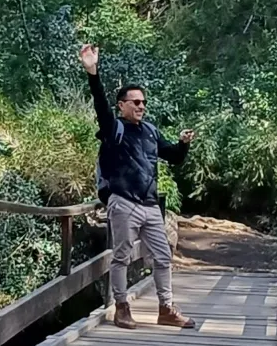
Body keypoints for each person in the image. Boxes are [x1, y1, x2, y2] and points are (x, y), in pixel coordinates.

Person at [79, 43, 196, 330]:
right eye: (135, 102)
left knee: (163, 257)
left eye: (143, 102)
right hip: (123, 202)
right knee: (121, 257)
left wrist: (183, 144)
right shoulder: (114, 129)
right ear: (122, 105)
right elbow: (100, 104)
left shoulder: (151, 131)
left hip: (150, 205)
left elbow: (173, 157)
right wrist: (93, 72)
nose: (141, 106)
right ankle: (121, 308)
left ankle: (166, 309)